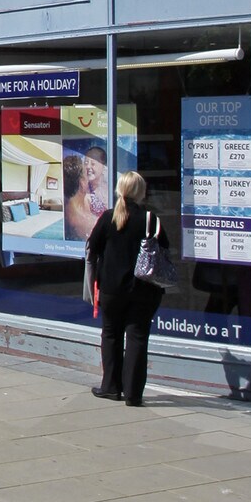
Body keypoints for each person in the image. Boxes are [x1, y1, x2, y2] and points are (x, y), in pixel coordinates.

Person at [86, 169, 170, 406]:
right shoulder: (151, 219)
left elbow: (92, 247)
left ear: (120, 190)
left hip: (112, 288)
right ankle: (133, 394)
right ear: (141, 192)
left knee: (111, 334)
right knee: (137, 338)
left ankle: (111, 387)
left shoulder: (108, 217)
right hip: (144, 289)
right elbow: (165, 250)